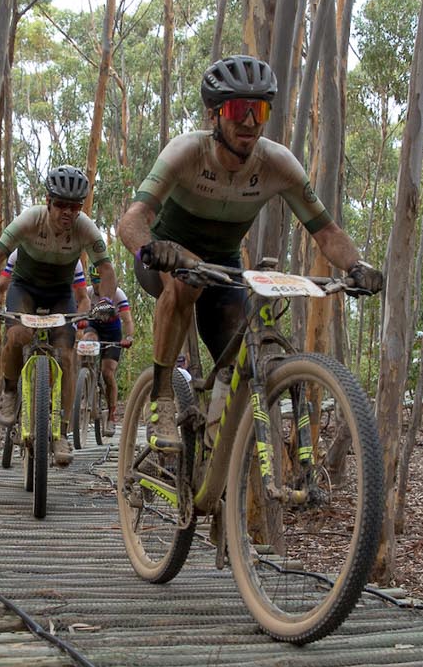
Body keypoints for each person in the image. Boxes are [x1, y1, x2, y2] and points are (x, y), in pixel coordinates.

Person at [116, 55, 383, 440]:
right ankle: (162, 398)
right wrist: (154, 250)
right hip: (168, 255)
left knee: (242, 354)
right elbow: (131, 222)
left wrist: (357, 265)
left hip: (222, 264)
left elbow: (327, 234)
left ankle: (218, 446)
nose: (249, 121)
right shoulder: (186, 152)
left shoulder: (277, 164)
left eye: (258, 110)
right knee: (184, 284)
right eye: (239, 109)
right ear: (214, 115)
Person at [0, 165, 115, 468]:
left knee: (66, 355)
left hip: (60, 292)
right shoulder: (29, 220)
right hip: (25, 289)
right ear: (47, 200)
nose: (67, 212)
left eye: (74, 206)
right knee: (18, 335)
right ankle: (10, 391)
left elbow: (106, 268)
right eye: (61, 204)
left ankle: (61, 432)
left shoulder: (85, 228)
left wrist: (106, 302)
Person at [77, 282, 134, 421]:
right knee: (87, 339)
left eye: (101, 282)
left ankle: (111, 413)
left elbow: (127, 320)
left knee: (107, 373)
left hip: (112, 333)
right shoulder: (88, 292)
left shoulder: (118, 294)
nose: (99, 287)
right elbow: (78, 316)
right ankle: (84, 381)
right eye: (96, 283)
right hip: (94, 327)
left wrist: (129, 337)